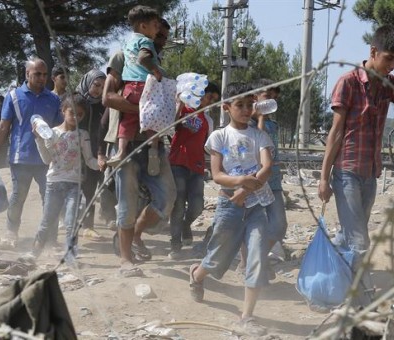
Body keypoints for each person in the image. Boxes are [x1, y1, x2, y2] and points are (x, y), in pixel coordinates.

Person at [318, 24, 394, 303]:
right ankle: (364, 302)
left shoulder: (390, 83)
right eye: (389, 58)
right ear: (373, 51)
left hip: (370, 174)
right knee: (359, 241)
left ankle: (329, 288)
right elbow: (336, 132)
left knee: (348, 238)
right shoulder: (348, 82)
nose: (392, 65)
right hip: (346, 173)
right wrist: (323, 177)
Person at [188, 82, 274, 336]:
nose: (246, 110)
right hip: (229, 206)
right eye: (240, 105)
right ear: (226, 107)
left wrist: (246, 190)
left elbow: (266, 167)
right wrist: (238, 183)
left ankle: (247, 316)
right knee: (217, 259)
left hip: (256, 205)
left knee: (257, 255)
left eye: (250, 105)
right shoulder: (220, 137)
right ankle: (197, 274)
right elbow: (217, 175)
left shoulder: (259, 135)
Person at [102, 18, 175, 277]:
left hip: (153, 144)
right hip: (128, 143)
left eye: (164, 37)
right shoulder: (123, 56)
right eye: (159, 36)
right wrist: (145, 112)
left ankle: (134, 236)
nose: (161, 41)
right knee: (127, 203)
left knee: (167, 198)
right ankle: (125, 260)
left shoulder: (156, 66)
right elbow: (108, 97)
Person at [0, 58, 62, 245]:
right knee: (18, 197)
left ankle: (49, 236)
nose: (42, 78)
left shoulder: (53, 99)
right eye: (37, 74)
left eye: (44, 75)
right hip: (21, 157)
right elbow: (3, 127)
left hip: (47, 159)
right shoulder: (13, 96)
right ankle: (12, 231)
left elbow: (60, 127)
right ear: (27, 74)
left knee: (49, 198)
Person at [31, 94, 100, 264]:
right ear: (63, 111)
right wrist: (39, 139)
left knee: (71, 223)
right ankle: (34, 253)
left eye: (80, 114)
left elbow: (90, 161)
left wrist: (103, 163)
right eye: (72, 113)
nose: (76, 117)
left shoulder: (82, 135)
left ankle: (70, 256)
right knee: (47, 221)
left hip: (74, 185)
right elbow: (47, 160)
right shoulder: (51, 133)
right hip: (53, 184)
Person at [237, 79, 287, 276]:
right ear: (255, 97)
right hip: (252, 183)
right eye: (268, 96)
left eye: (275, 98)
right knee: (249, 224)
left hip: (272, 182)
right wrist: (258, 118)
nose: (271, 101)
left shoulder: (273, 124)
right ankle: (246, 263)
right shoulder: (244, 123)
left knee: (279, 225)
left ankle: (256, 257)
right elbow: (258, 142)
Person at [106, 5, 163, 176]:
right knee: (153, 118)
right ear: (143, 26)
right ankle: (153, 148)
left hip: (129, 88)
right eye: (155, 25)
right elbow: (143, 57)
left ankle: (121, 151)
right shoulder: (146, 41)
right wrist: (155, 70)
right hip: (145, 86)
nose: (157, 30)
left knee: (128, 120)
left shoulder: (127, 43)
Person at [167, 82, 220, 259]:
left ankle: (185, 225)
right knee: (178, 205)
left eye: (215, 100)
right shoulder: (183, 110)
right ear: (200, 94)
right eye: (210, 97)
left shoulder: (209, 120)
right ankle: (175, 244)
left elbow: (209, 145)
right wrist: (179, 104)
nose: (211, 101)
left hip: (197, 167)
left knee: (197, 205)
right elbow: (170, 125)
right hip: (177, 164)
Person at [75, 69, 111, 240]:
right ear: (87, 82)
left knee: (90, 189)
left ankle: (88, 226)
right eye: (96, 85)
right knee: (71, 190)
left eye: (103, 87)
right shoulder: (76, 101)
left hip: (95, 153)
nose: (98, 90)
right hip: (74, 153)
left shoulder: (104, 105)